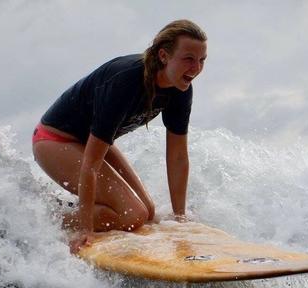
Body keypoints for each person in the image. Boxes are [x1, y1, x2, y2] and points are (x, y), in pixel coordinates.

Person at [32, 20, 207, 253]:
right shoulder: (126, 79)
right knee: (132, 215)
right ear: (164, 56)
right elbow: (91, 164)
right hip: (54, 140)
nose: (196, 68)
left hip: (89, 142)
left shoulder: (180, 88)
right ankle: (49, 217)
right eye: (188, 59)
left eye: (202, 60)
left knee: (148, 212)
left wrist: (179, 217)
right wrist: (86, 230)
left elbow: (177, 157)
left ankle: (73, 207)